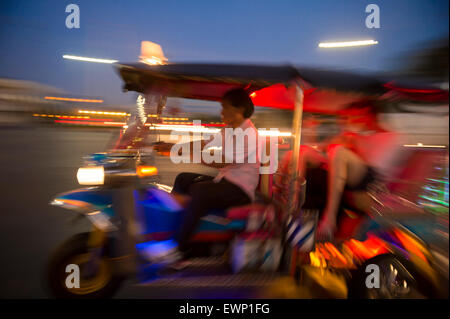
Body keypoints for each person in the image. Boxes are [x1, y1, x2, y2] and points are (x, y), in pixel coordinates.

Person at [154, 88, 260, 266]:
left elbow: (220, 162)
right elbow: (205, 143)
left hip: (239, 190)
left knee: (200, 190)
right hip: (225, 182)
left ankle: (180, 249)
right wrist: (175, 146)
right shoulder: (230, 130)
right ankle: (173, 226)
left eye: (225, 107)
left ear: (239, 110)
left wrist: (184, 154)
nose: (222, 112)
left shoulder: (249, 134)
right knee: (183, 179)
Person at [278, 101, 403, 241]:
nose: (353, 121)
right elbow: (323, 150)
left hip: (371, 179)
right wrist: (312, 134)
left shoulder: (391, 137)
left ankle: (329, 218)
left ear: (370, 115)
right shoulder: (358, 135)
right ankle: (292, 201)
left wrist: (355, 142)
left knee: (338, 152)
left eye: (357, 116)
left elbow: (370, 162)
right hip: (350, 169)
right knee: (300, 152)